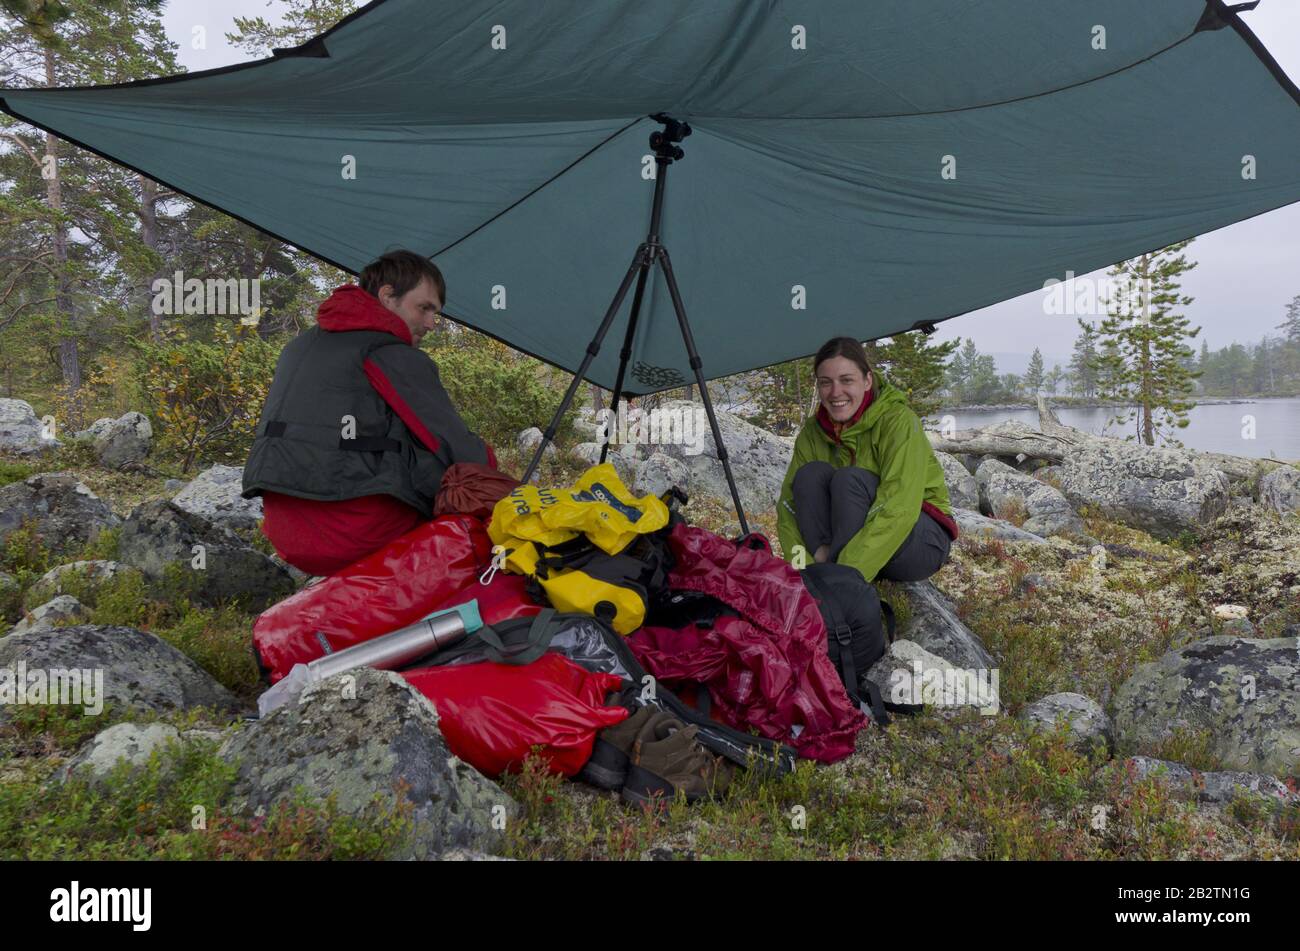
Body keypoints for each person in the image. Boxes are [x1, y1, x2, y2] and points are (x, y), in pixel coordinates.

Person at [242, 249, 498, 576]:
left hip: (283, 528)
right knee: (467, 495)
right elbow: (459, 450)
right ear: (388, 296)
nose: (432, 323)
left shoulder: (298, 347)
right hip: (352, 529)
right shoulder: (389, 352)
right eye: (424, 308)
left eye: (436, 313)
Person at [776, 337, 959, 584]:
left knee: (849, 480)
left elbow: (899, 509)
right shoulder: (813, 432)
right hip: (853, 540)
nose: (835, 392)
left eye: (846, 380)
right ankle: (825, 567)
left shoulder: (898, 421)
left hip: (919, 540)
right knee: (809, 476)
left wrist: (843, 580)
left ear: (867, 380)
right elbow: (789, 508)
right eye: (825, 383)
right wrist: (801, 572)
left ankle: (842, 575)